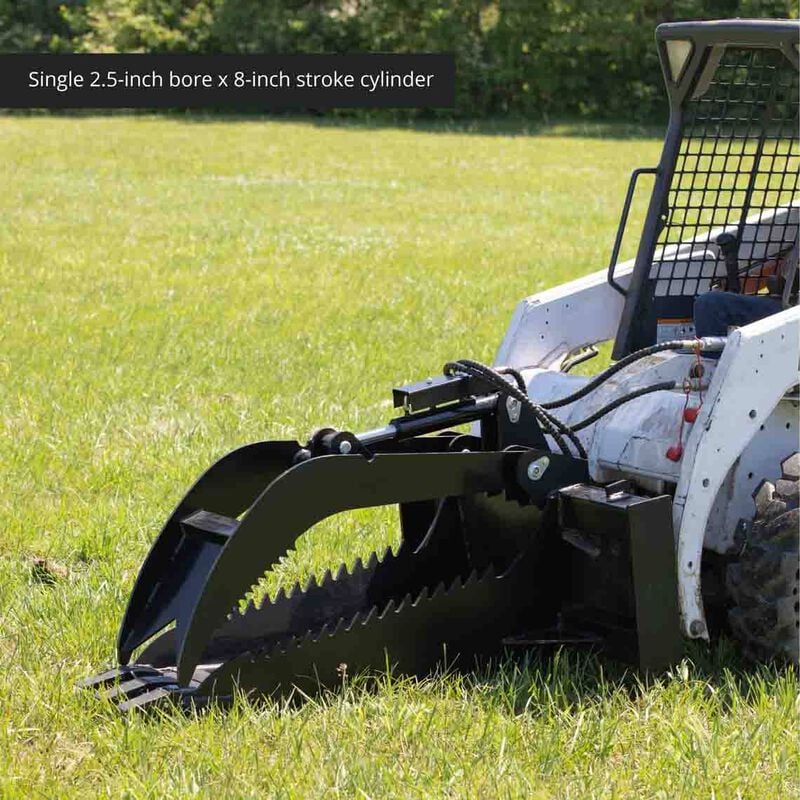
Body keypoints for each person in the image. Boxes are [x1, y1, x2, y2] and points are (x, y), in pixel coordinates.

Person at [693, 242, 798, 338]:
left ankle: (711, 356)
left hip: (792, 315)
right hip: (789, 309)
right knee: (709, 303)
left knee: (710, 303)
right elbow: (775, 274)